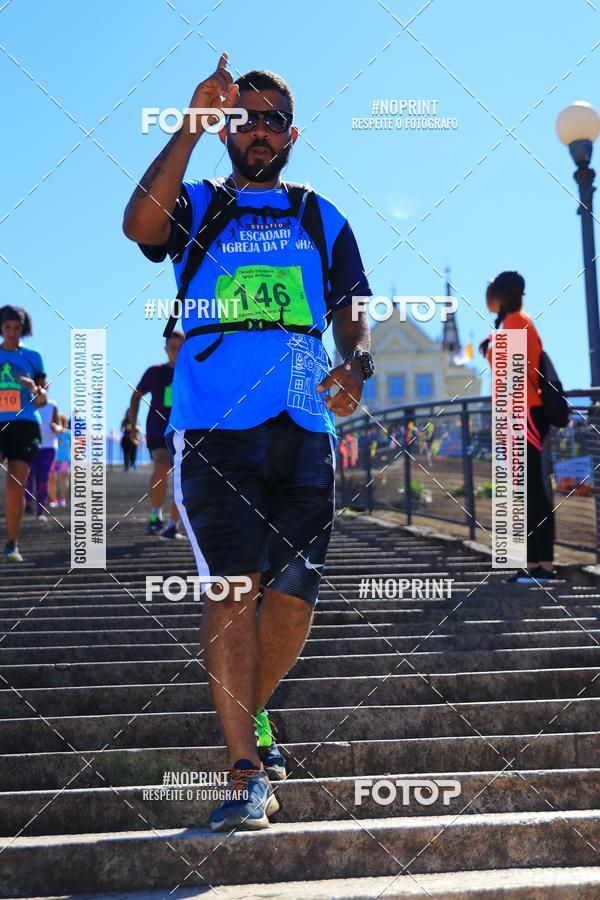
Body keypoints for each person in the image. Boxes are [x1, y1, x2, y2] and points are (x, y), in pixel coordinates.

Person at [123, 53, 373, 831]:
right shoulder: (198, 205)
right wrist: (191, 125)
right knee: (234, 589)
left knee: (292, 601)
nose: (258, 130)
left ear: (291, 134)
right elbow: (138, 224)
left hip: (304, 424)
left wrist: (357, 359)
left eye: (271, 120)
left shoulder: (319, 215)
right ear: (229, 130)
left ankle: (252, 712)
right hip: (215, 430)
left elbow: (353, 305)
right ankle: (244, 771)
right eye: (245, 119)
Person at [480, 271, 556, 583]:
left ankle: (541, 565)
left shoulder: (516, 321)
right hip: (520, 414)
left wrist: (488, 348)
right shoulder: (515, 322)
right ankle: (532, 564)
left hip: (525, 414)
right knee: (527, 492)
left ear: (505, 295)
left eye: (495, 295)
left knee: (533, 491)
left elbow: (506, 369)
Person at [0, 305, 47, 562]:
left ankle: (12, 543)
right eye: (7, 327)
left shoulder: (33, 356)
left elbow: (43, 400)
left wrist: (33, 388)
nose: (12, 332)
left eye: (17, 328)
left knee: (15, 487)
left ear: (23, 329)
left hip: (25, 424)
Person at [128, 333, 185, 539]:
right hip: (158, 430)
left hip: (185, 431)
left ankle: (172, 525)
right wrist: (133, 425)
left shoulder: (191, 372)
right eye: (172, 347)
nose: (176, 352)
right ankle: (155, 516)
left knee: (182, 477)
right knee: (162, 465)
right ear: (165, 349)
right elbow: (136, 396)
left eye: (181, 347)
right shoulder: (155, 372)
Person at [24, 379, 62, 521]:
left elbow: (59, 426)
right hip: (32, 446)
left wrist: (55, 428)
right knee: (28, 476)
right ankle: (27, 504)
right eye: (37, 391)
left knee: (43, 479)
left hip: (49, 447)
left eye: (42, 391)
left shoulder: (53, 406)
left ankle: (40, 511)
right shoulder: (28, 406)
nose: (40, 394)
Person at [50, 413, 70, 508]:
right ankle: (54, 500)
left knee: (63, 479)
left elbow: (73, 446)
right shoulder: (50, 432)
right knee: (51, 479)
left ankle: (63, 499)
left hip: (64, 459)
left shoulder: (68, 433)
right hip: (52, 459)